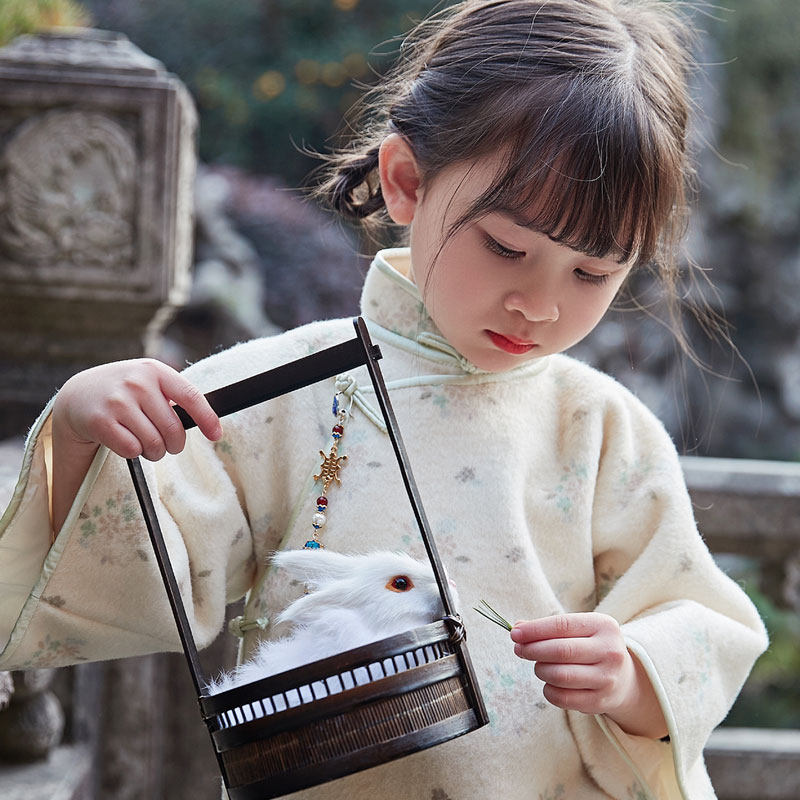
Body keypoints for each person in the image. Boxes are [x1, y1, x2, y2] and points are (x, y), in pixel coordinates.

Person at [0, 1, 767, 798]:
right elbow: (142, 572)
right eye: (507, 247)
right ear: (405, 181)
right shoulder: (279, 391)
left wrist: (633, 674)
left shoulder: (605, 430)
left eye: (592, 273)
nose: (539, 305)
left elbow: (696, 621)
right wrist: (85, 432)